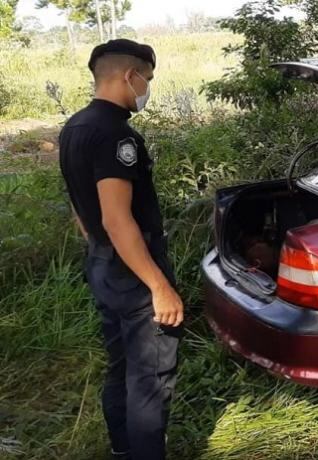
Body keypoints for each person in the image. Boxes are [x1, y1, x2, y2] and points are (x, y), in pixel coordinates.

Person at [58, 39, 183, 460]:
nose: (147, 86)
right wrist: (158, 286)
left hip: (102, 263)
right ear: (130, 75)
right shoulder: (115, 135)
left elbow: (81, 204)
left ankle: (123, 448)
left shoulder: (75, 127)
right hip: (133, 271)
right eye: (147, 78)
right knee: (150, 376)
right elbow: (117, 218)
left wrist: (98, 249)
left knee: (121, 365)